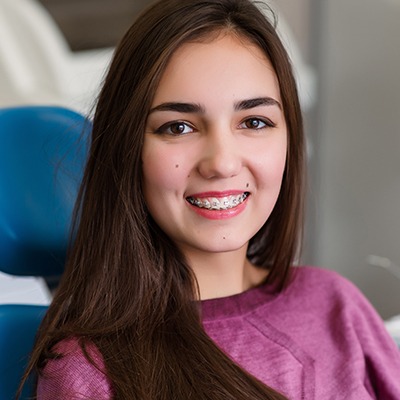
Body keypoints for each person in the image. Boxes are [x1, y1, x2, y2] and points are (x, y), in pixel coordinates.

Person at [20, 0, 400, 399]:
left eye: (254, 122)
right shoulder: (90, 372)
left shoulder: (335, 304)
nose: (221, 162)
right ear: (126, 149)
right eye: (178, 126)